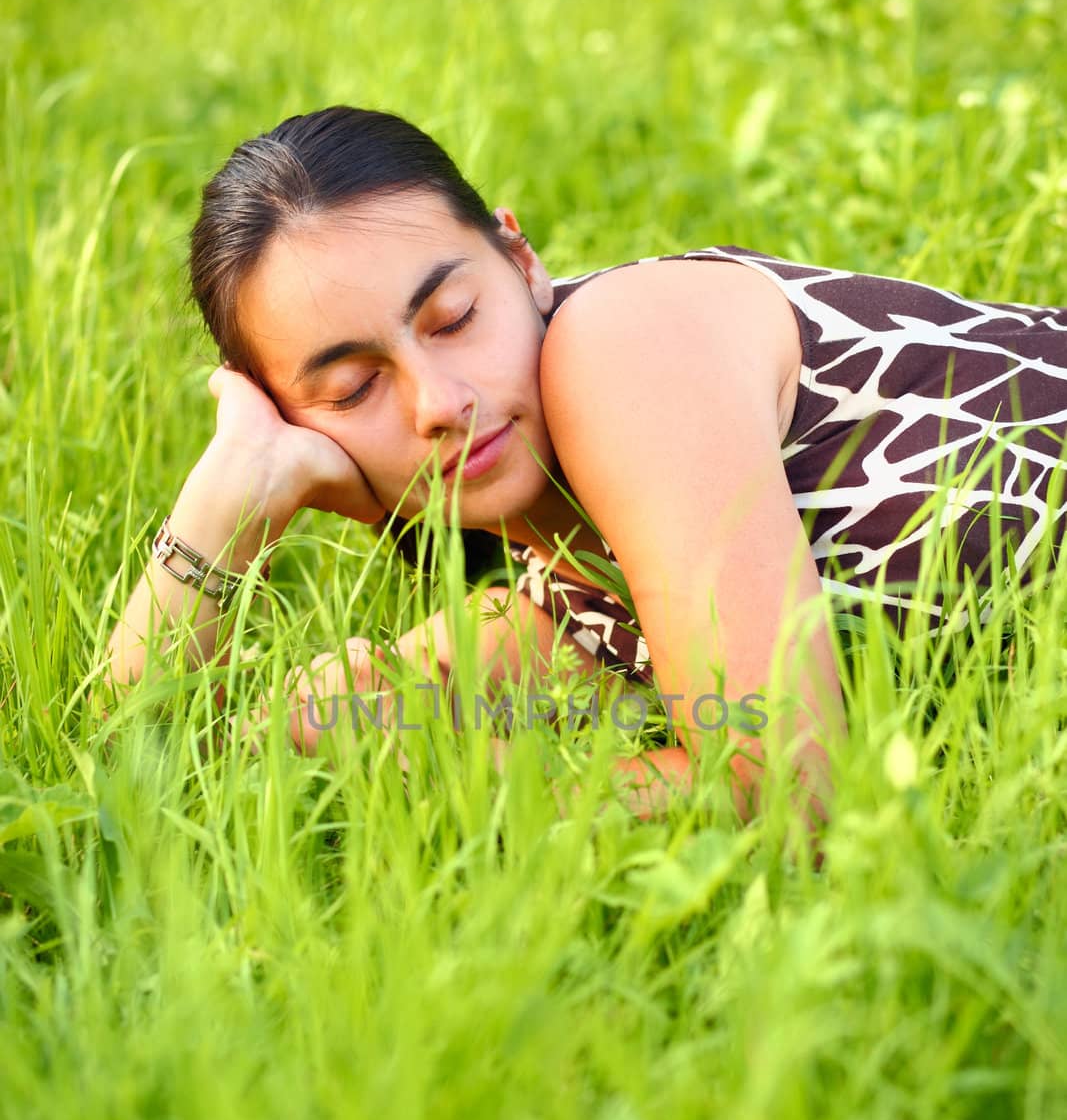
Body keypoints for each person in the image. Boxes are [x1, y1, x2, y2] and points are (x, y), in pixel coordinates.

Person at [101, 105, 1067, 834]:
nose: (438, 401)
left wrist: (457, 787)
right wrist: (235, 488)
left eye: (453, 320)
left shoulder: (624, 347)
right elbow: (152, 749)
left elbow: (787, 784)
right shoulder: (568, 595)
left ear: (521, 262)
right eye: (354, 388)